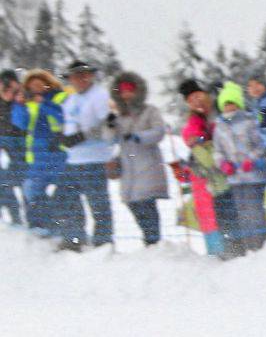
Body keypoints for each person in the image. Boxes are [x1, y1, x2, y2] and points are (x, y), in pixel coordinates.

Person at [58, 60, 118, 250]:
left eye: (83, 75)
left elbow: (109, 123)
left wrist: (82, 136)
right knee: (65, 198)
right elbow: (68, 123)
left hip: (95, 157)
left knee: (98, 202)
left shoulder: (100, 96)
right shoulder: (71, 99)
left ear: (90, 76)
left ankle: (103, 242)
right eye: (75, 76)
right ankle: (74, 237)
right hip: (73, 158)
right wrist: (62, 136)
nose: (80, 79)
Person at [179, 78, 242, 258]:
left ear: (205, 94)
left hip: (229, 173)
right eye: (191, 100)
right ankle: (225, 249)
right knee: (218, 212)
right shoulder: (194, 123)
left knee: (230, 210)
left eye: (198, 96)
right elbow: (199, 146)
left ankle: (235, 246)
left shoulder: (217, 111)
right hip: (213, 178)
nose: (196, 101)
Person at [108, 71, 168, 245]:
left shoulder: (150, 111)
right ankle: (149, 239)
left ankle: (154, 241)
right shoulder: (118, 116)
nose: (127, 95)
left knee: (146, 203)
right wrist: (110, 125)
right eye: (123, 91)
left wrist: (138, 136)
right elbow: (108, 139)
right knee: (132, 203)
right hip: (128, 166)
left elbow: (159, 131)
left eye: (130, 90)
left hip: (148, 163)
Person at [213, 81, 266, 251]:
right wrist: (223, 163)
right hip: (235, 178)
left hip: (253, 175)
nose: (228, 107)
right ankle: (248, 245)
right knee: (242, 212)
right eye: (225, 104)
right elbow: (217, 150)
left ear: (238, 104)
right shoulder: (219, 127)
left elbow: (260, 145)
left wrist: (251, 160)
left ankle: (260, 244)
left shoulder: (249, 121)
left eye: (231, 103)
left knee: (254, 211)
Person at [13, 69, 68, 238]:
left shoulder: (59, 97)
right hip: (38, 156)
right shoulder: (29, 103)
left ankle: (65, 228)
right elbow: (21, 123)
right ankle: (45, 227)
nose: (36, 88)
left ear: (48, 83)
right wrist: (19, 105)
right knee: (31, 190)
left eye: (39, 84)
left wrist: (44, 102)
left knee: (65, 192)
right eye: (32, 86)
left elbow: (63, 116)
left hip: (59, 153)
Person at [0, 71, 27, 226]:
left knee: (19, 182)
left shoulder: (21, 102)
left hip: (19, 144)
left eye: (12, 87)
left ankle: (20, 219)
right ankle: (12, 218)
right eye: (5, 87)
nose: (9, 91)